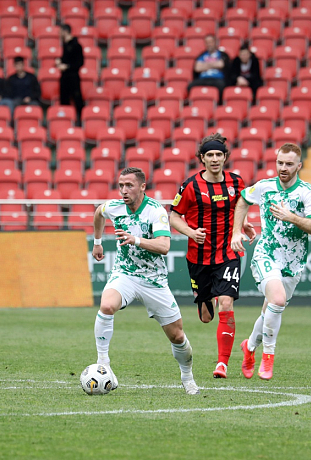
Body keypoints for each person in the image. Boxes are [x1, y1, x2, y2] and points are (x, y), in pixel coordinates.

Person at [92, 167, 200, 395]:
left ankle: (187, 376)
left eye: (129, 185)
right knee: (106, 305)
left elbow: (164, 246)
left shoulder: (155, 211)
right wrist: (97, 242)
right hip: (125, 273)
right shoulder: (114, 206)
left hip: (154, 280)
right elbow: (98, 212)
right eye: (121, 185)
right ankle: (103, 364)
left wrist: (135, 240)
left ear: (142, 187)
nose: (124, 190)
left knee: (177, 336)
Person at [231, 143, 311, 380]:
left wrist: (291, 217)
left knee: (270, 310)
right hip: (266, 254)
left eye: (289, 164)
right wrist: (236, 231)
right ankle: (268, 356)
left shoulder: (307, 192)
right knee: (278, 300)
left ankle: (249, 346)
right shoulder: (265, 186)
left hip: (293, 262)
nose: (283, 167)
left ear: (299, 166)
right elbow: (242, 200)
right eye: (280, 163)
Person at [169, 134, 256, 379]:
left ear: (225, 157)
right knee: (207, 317)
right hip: (198, 257)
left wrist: (243, 225)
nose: (215, 159)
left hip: (228, 252)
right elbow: (173, 216)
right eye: (210, 155)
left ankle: (222, 364)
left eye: (219, 154)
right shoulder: (190, 186)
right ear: (202, 158)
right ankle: (208, 300)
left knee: (226, 303)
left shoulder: (237, 182)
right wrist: (190, 232)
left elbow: (240, 208)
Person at [187, 34, 230, 103]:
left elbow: (221, 64)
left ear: (215, 42)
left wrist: (204, 65)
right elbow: (197, 68)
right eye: (207, 42)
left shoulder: (222, 54)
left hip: (217, 78)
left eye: (210, 42)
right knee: (191, 86)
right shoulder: (202, 55)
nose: (209, 44)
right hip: (203, 78)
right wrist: (214, 64)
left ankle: (219, 104)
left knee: (221, 86)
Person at [57, 24, 84, 122]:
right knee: (64, 100)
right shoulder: (64, 45)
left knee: (77, 100)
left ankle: (80, 120)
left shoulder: (77, 46)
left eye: (60, 32)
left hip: (73, 77)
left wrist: (67, 66)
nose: (59, 34)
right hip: (64, 77)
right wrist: (59, 61)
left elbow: (80, 63)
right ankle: (65, 121)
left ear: (65, 31)